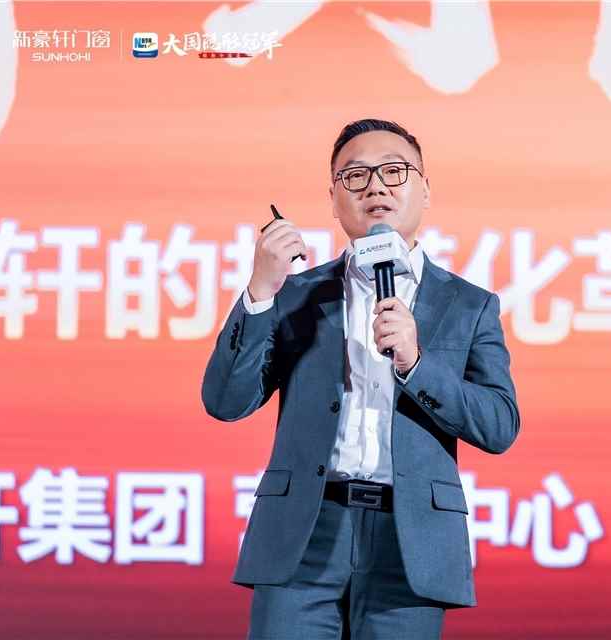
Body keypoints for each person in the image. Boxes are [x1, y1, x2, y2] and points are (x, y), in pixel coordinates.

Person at [201, 118, 520, 639]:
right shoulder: (294, 294)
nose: (376, 187)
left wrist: (416, 363)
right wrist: (260, 290)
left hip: (411, 542)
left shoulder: (469, 305)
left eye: (394, 172)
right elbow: (225, 400)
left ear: (425, 190)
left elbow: (499, 425)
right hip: (304, 533)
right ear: (333, 199)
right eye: (355, 175)